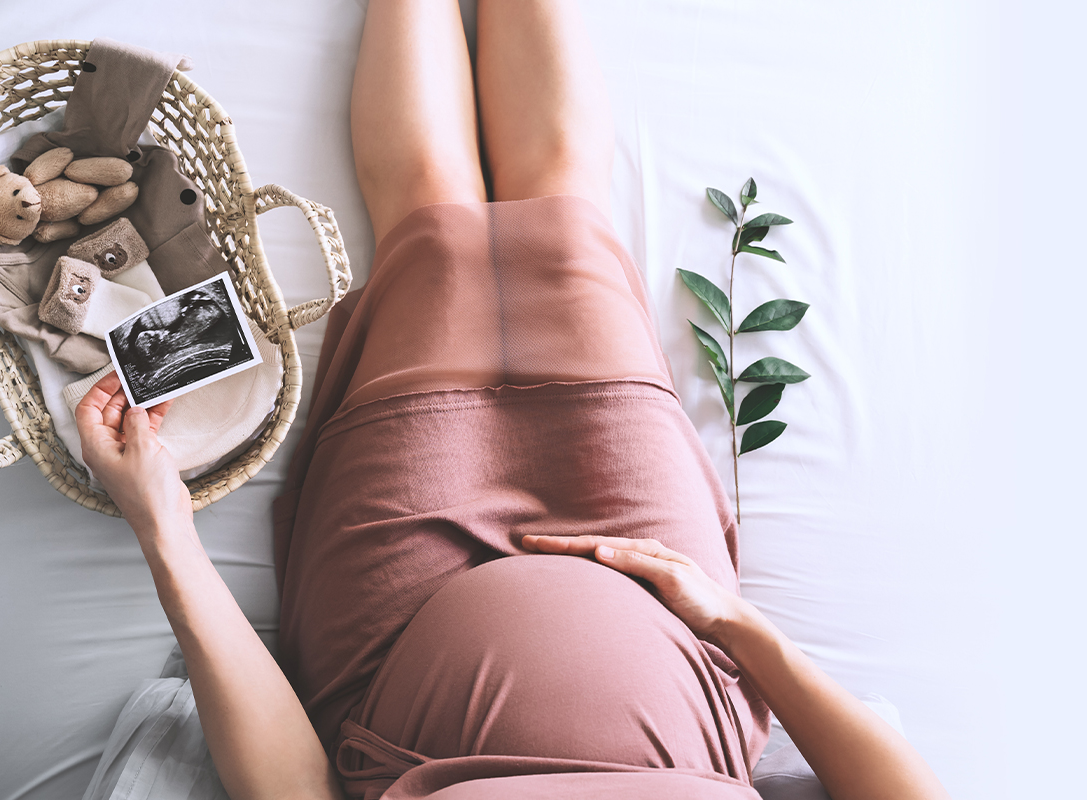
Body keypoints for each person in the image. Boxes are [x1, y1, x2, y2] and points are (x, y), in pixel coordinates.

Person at [76, 2, 952, 799]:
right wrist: (737, 626)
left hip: (400, 639)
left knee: (426, 212)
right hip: (664, 608)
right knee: (566, 208)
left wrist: (164, 527)